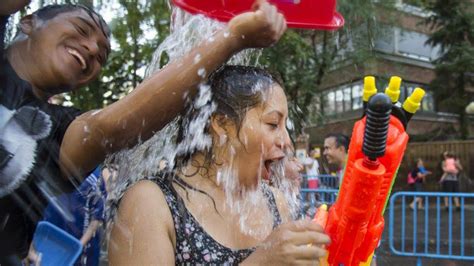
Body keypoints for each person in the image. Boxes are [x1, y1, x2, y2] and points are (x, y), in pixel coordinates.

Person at [0, 0, 286, 262]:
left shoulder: (57, 132)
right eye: (80, 29)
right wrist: (232, 37)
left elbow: (119, 125)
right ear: (28, 21)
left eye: (101, 55)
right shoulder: (154, 202)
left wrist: (233, 38)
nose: (91, 49)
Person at [109, 66, 330, 264]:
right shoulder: (150, 203)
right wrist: (262, 261)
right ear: (222, 124)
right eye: (273, 124)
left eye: (284, 126)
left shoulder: (276, 201)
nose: (286, 142)